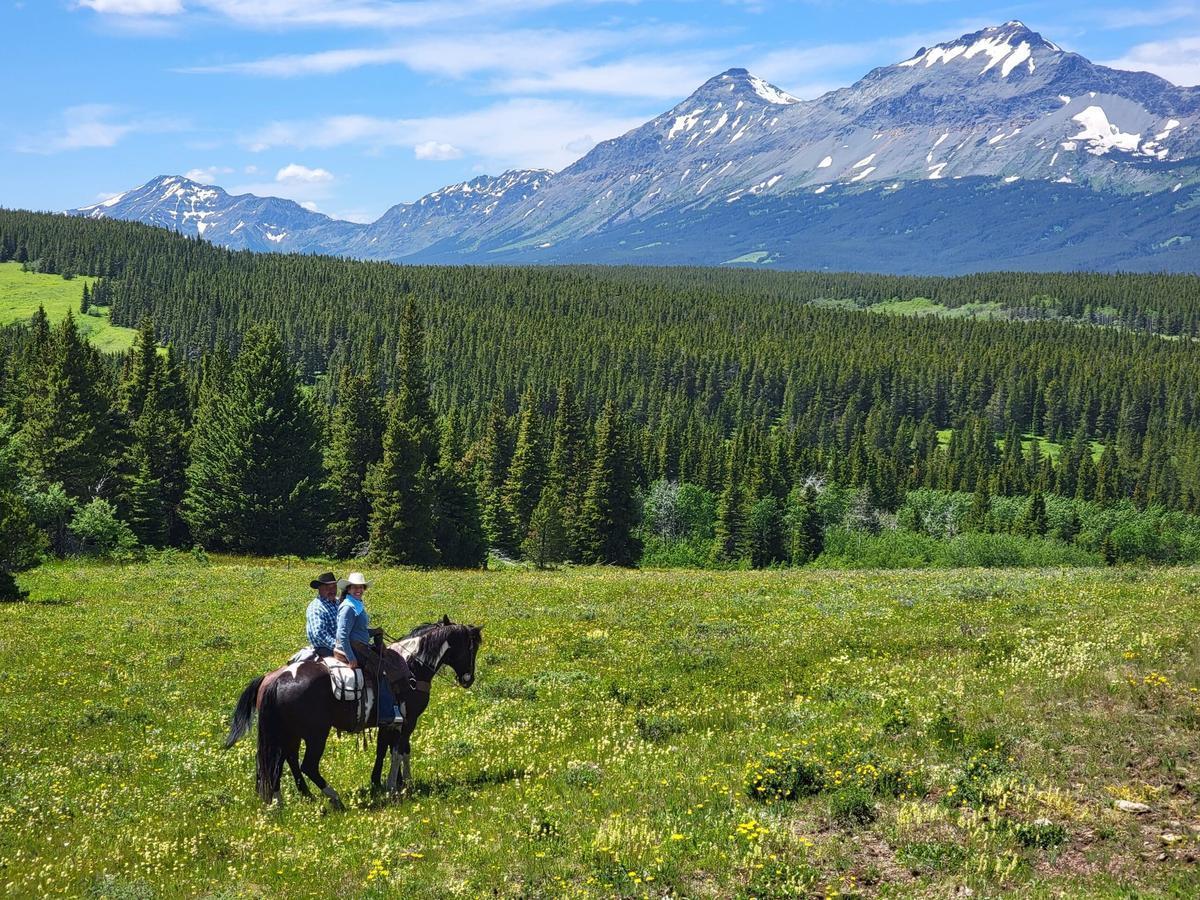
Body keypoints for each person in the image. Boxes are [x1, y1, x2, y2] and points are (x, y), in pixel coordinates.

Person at [333, 572, 405, 726]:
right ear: (349, 589)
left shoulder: (356, 603)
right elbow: (342, 635)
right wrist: (351, 658)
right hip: (352, 649)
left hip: (358, 645)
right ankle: (385, 714)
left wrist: (374, 631)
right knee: (382, 670)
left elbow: (358, 630)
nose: (358, 590)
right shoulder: (348, 607)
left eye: (361, 587)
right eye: (355, 587)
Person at [305, 572, 339, 657]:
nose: (332, 590)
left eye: (334, 586)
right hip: (326, 649)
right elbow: (319, 634)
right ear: (319, 588)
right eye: (327, 587)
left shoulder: (338, 602)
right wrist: (338, 646)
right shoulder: (316, 608)